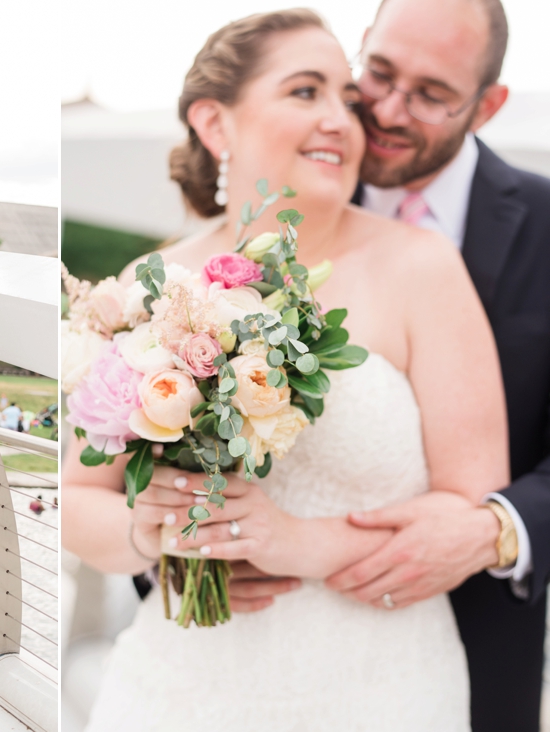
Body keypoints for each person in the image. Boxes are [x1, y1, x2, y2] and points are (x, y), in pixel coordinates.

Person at [62, 9, 508, 730]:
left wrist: (296, 543)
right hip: (181, 686)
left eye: (347, 98)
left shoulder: (423, 267)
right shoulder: (150, 282)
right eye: (306, 92)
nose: (342, 119)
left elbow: (473, 502)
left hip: (382, 687)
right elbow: (80, 497)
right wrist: (156, 534)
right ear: (215, 122)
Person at [210, 1, 550, 728]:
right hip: (246, 647)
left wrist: (501, 526)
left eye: (430, 94)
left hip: (467, 652)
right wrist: (176, 558)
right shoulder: (278, 195)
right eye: (381, 74)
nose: (389, 110)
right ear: (362, 46)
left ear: (487, 105)